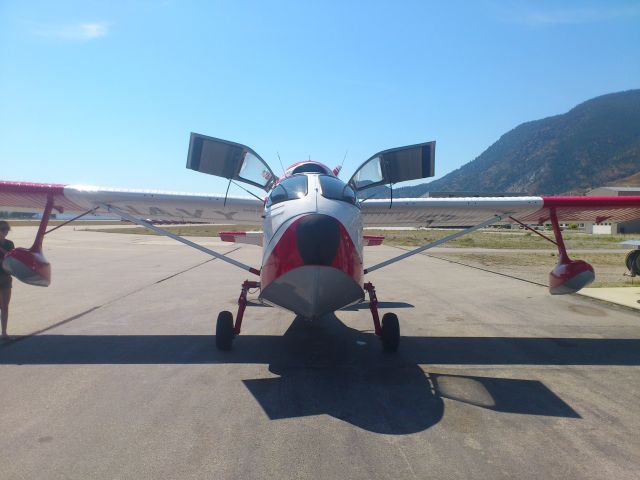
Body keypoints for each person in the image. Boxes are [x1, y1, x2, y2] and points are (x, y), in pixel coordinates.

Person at [0, 220, 14, 339]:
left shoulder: (9, 243)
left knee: (5, 306)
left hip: (6, 278)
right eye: (2, 229)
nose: (5, 231)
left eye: (6, 229)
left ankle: (4, 332)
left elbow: (10, 257)